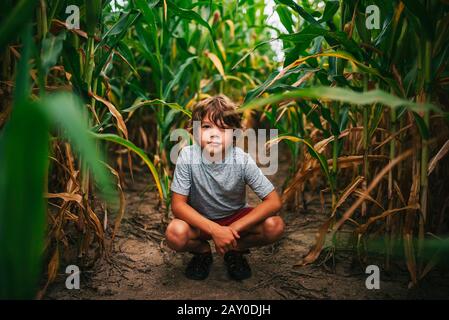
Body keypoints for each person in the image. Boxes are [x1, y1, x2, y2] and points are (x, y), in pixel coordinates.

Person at [165, 95, 284, 281]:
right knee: (175, 233)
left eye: (223, 129)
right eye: (206, 127)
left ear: (235, 134)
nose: (214, 134)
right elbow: (178, 206)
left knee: (274, 226)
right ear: (195, 131)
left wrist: (231, 229)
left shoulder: (242, 160)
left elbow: (274, 201)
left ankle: (234, 248)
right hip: (200, 222)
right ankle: (203, 251)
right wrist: (215, 230)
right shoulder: (187, 157)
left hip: (235, 220)